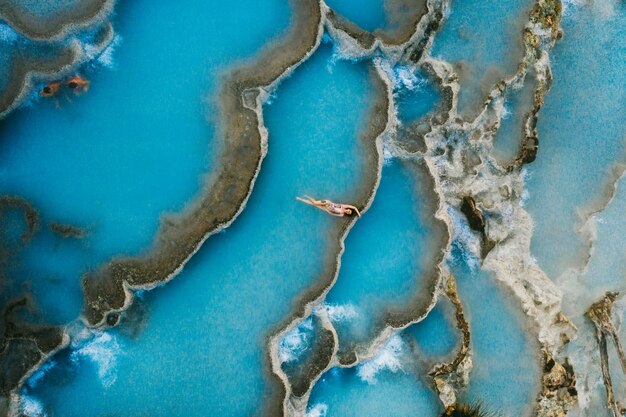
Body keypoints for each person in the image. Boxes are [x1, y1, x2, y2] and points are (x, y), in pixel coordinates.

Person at [296, 196, 361, 217]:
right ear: (349, 209)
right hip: (328, 202)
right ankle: (306, 196)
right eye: (349, 210)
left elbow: (332, 213)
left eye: (349, 213)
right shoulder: (344, 206)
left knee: (313, 204)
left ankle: (301, 199)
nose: (348, 211)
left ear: (347, 214)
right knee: (315, 202)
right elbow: (354, 207)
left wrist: (326, 210)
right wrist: (358, 214)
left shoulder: (341, 214)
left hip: (326, 208)